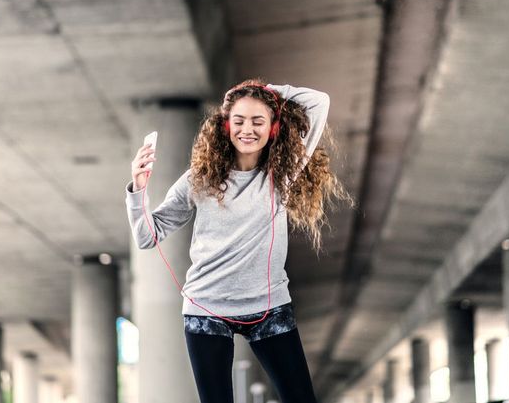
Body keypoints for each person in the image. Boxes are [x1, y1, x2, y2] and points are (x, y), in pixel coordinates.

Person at [125, 79, 351, 403]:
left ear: (273, 128)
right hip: (207, 311)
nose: (248, 129)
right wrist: (138, 189)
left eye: (258, 121)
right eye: (239, 120)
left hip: (269, 307)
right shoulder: (200, 178)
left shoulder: (281, 174)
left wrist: (268, 91)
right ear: (226, 126)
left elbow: (319, 101)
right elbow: (148, 236)